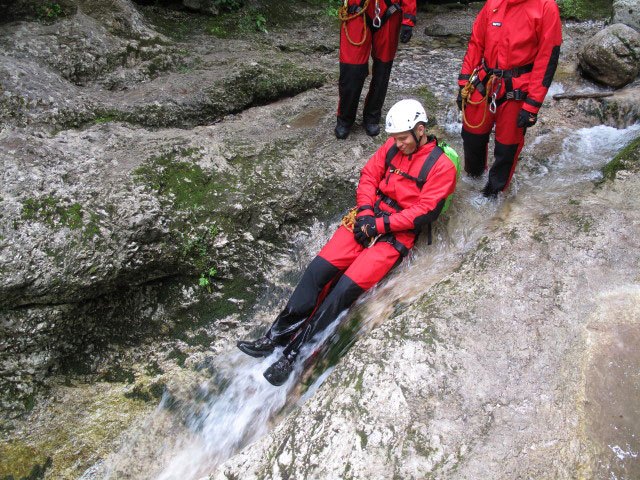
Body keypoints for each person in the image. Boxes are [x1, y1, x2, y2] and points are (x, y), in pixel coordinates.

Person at [237, 99, 458, 386]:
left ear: (419, 130)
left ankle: (294, 354)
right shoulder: (392, 147)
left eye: (403, 138)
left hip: (395, 233)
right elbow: (369, 176)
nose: (398, 144)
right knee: (317, 271)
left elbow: (426, 210)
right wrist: (366, 211)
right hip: (370, 217)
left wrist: (380, 225)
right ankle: (275, 336)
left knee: (342, 291)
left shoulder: (440, 166)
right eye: (394, 139)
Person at [456, 0, 562, 197]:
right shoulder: (493, 3)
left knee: (506, 149)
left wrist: (532, 105)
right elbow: (476, 43)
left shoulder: (546, 7)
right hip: (485, 81)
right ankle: (473, 178)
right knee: (471, 136)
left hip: (517, 89)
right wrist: (464, 83)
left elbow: (547, 58)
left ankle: (493, 195)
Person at [334, 0, 416, 139]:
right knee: (352, 70)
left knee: (382, 71)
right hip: (357, 12)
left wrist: (408, 18)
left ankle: (372, 116)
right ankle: (345, 119)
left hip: (388, 11)